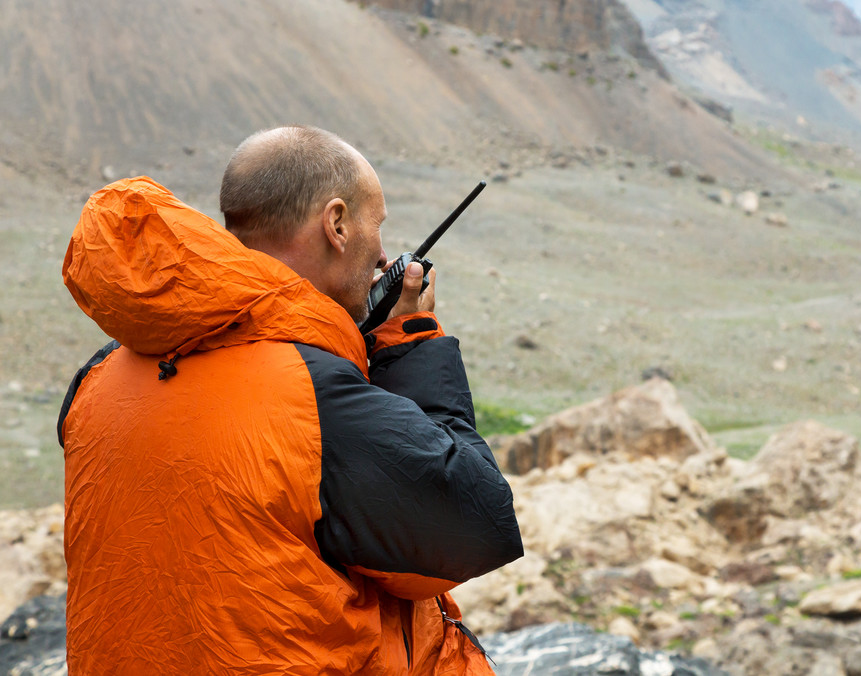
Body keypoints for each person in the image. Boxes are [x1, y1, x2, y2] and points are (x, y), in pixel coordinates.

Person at [58, 125, 523, 674]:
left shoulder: (99, 374)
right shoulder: (313, 394)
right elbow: (471, 528)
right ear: (336, 224)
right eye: (376, 226)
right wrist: (410, 342)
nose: (381, 257)